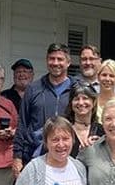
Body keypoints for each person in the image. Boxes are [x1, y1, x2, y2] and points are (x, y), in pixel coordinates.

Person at [13, 43, 72, 175]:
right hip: (34, 155)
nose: (55, 63)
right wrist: (17, 156)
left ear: (68, 62)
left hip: (66, 155)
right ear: (46, 61)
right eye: (52, 59)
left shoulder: (75, 89)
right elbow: (22, 123)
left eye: (60, 59)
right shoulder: (33, 89)